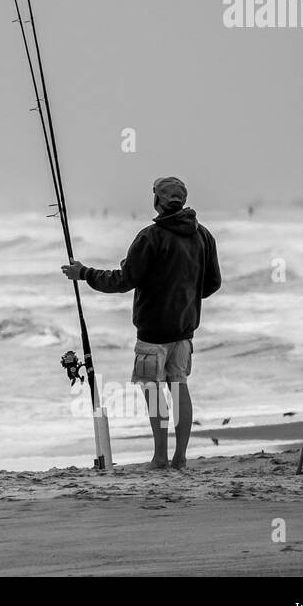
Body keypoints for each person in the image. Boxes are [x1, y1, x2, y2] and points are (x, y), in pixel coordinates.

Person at [60, 176, 221, 469]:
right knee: (179, 386)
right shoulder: (204, 236)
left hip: (152, 332)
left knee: (153, 391)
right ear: (182, 200)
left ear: (157, 201)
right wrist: (184, 299)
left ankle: (160, 457)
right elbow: (212, 284)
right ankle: (180, 457)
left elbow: (123, 281)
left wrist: (84, 273)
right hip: (185, 330)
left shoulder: (150, 237)